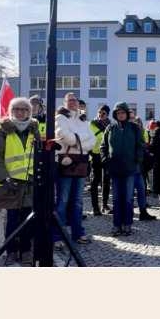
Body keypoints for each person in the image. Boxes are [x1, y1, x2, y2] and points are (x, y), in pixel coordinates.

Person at [0, 97, 41, 265]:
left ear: (29, 112)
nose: (20, 112)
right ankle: (11, 250)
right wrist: (3, 178)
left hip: (30, 182)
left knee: (27, 217)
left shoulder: (34, 129)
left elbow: (39, 155)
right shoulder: (4, 129)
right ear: (11, 112)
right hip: (10, 183)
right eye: (16, 109)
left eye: (24, 109)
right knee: (12, 218)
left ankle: (26, 249)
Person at [52, 93, 96, 250]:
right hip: (65, 162)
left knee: (78, 201)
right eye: (69, 100)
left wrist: (77, 141)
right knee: (62, 201)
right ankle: (58, 235)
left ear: (78, 103)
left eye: (74, 100)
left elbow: (93, 141)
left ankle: (78, 233)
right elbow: (64, 137)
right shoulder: (60, 118)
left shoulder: (83, 119)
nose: (72, 103)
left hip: (81, 163)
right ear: (64, 103)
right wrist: (82, 140)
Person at [101, 102, 145, 235]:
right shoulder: (110, 128)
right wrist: (105, 160)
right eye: (118, 113)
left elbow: (141, 145)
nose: (120, 115)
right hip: (114, 169)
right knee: (116, 198)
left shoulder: (134, 127)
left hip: (130, 169)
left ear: (126, 113)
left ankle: (127, 223)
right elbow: (103, 147)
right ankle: (116, 224)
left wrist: (137, 158)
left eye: (122, 112)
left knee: (128, 198)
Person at [88, 104, 111, 216]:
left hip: (106, 156)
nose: (101, 115)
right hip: (95, 155)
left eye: (104, 113)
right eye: (99, 112)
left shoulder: (110, 126)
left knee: (106, 181)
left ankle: (104, 205)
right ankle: (95, 206)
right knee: (95, 180)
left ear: (107, 115)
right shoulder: (91, 125)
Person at [133, 116, 157, 221]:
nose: (138, 124)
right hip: (132, 163)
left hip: (142, 163)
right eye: (136, 122)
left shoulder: (144, 133)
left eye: (139, 122)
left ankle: (143, 210)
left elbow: (146, 146)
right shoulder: (130, 132)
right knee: (130, 189)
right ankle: (129, 212)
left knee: (142, 186)